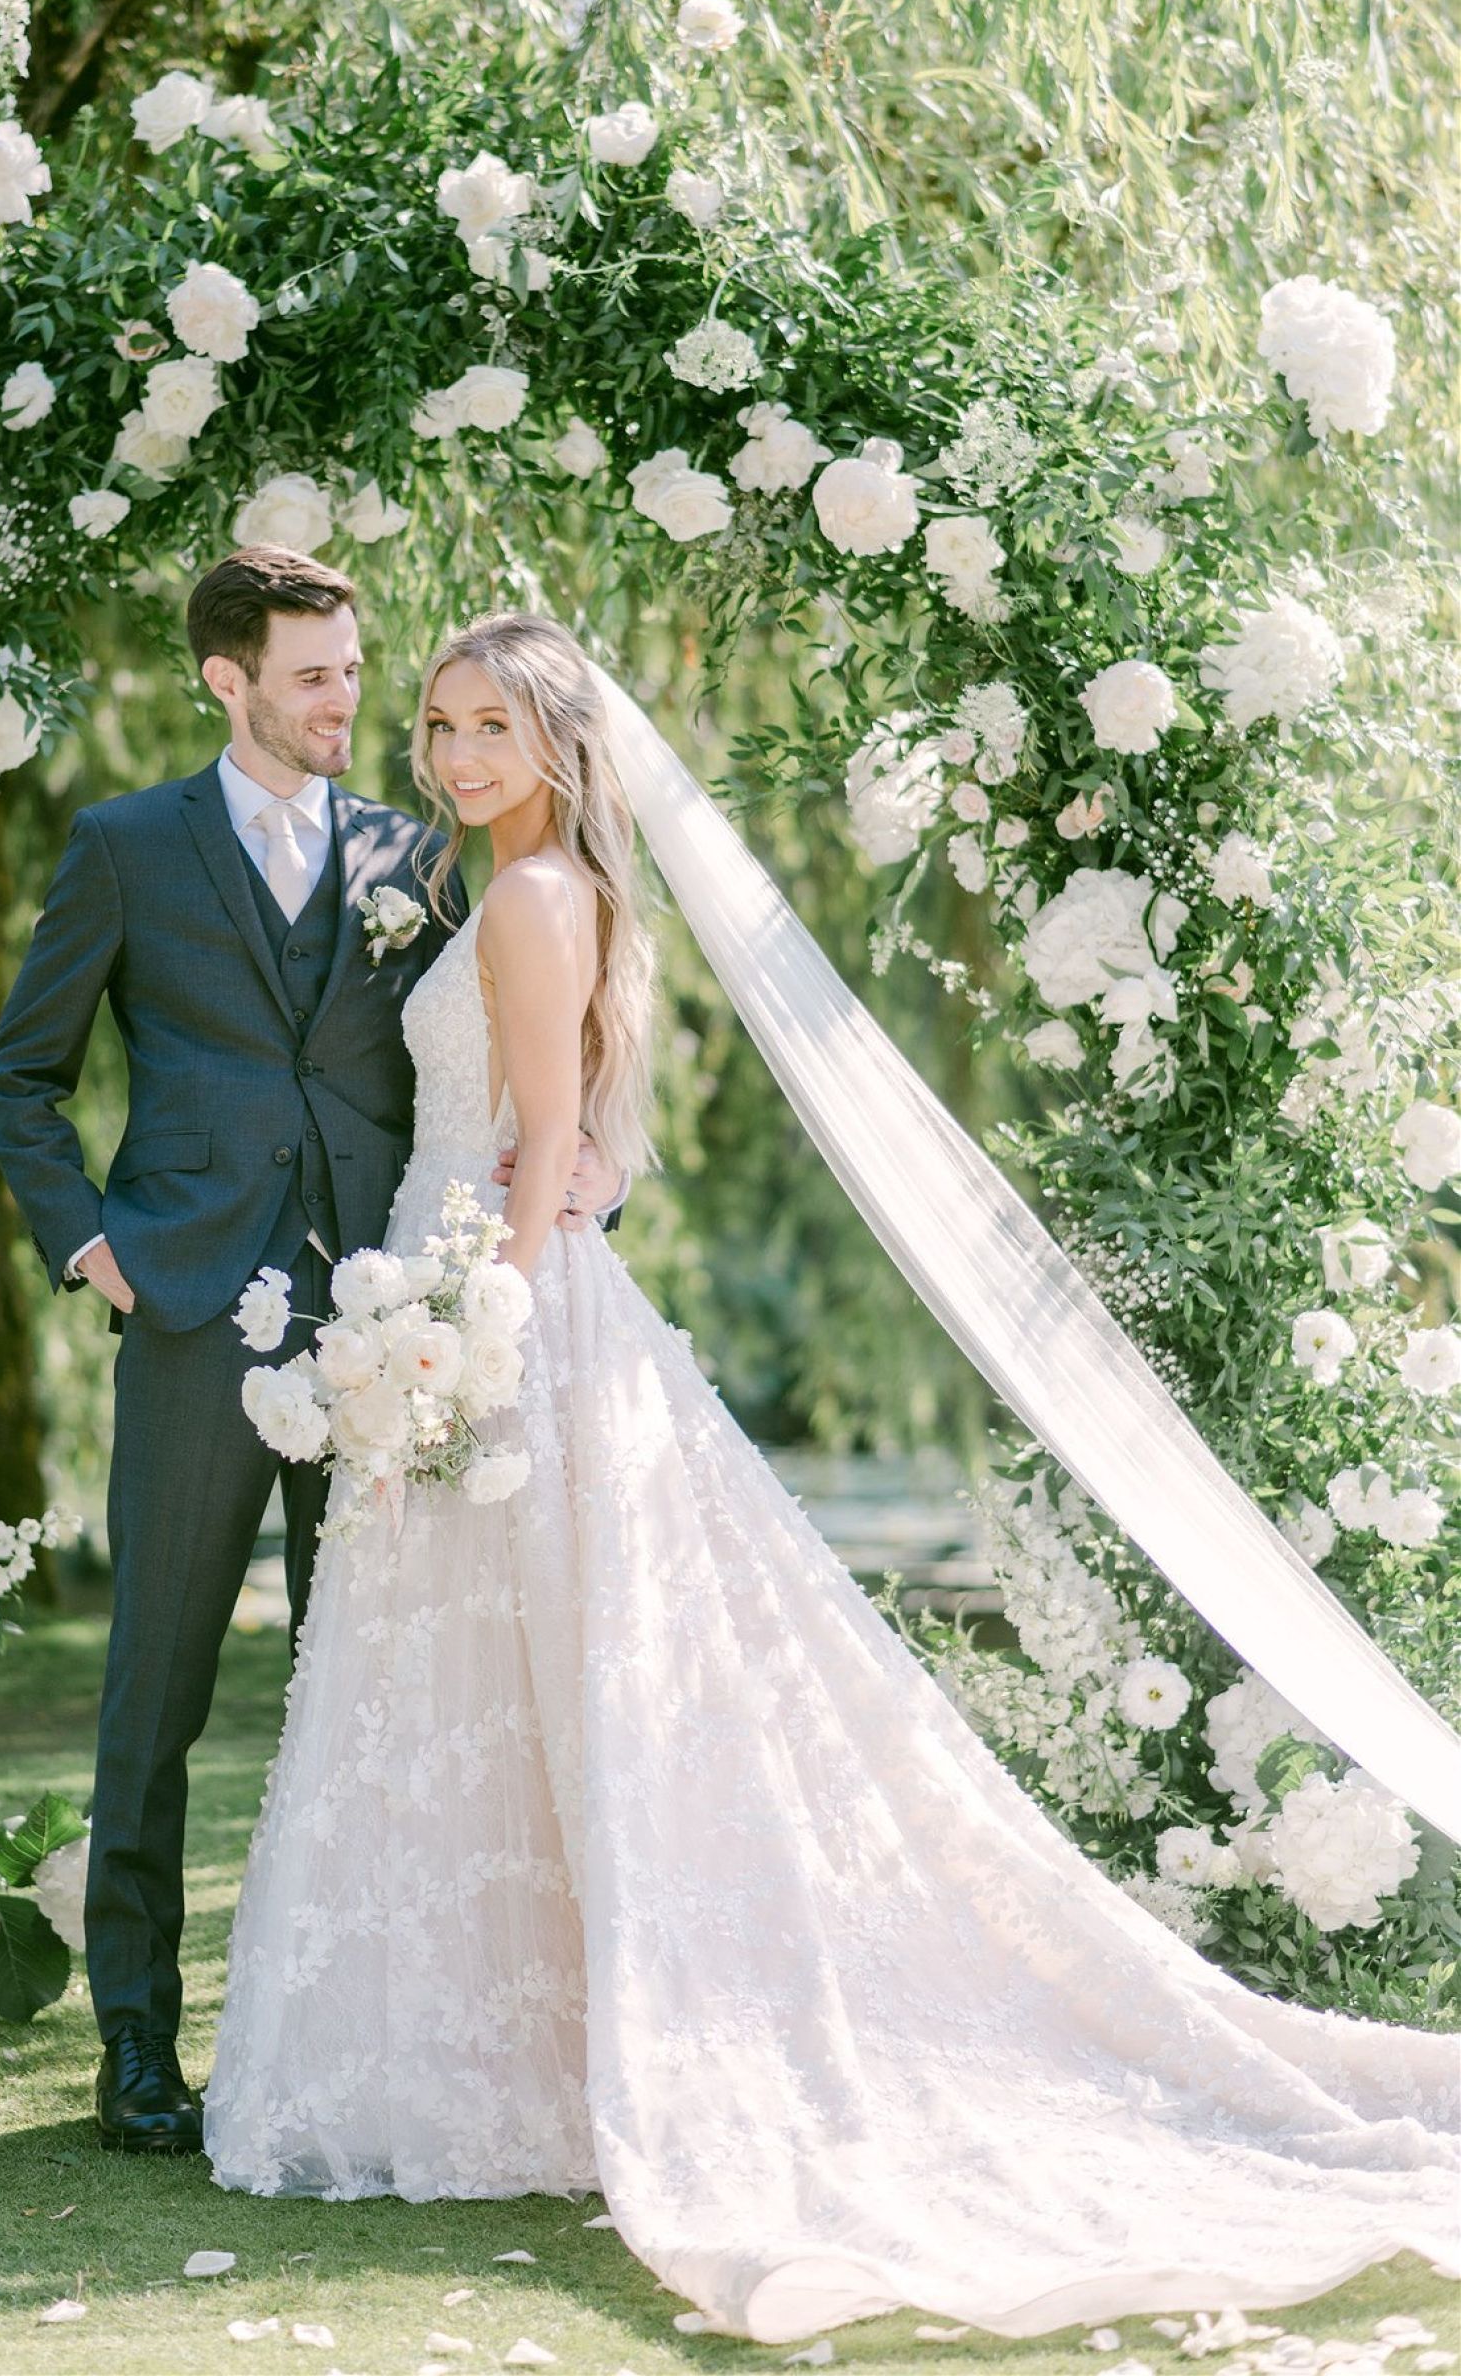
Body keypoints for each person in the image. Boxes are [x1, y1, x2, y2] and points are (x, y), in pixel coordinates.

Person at [202, 609, 1459, 2344]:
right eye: (436, 723)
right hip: (465, 1273)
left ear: (561, 742)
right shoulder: (515, 885)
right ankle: (522, 2060)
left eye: (490, 723)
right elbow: (547, 1136)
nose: (453, 752)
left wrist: (465, 1311)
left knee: (516, 1664)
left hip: (484, 1290)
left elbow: (554, 1136)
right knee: (486, 1675)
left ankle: (503, 2068)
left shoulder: (530, 896)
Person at [0, 555, 621, 2159]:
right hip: (193, 1316)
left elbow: (540, 1034)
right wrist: (96, 1246)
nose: (353, 705)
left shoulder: (424, 855)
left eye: (354, 672)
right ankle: (135, 2046)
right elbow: (21, 1078)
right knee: (159, 1689)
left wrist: (595, 1164)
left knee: (379, 1692)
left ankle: (375, 2038)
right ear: (229, 681)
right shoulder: (125, 849)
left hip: (391, 1331)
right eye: (318, 678)